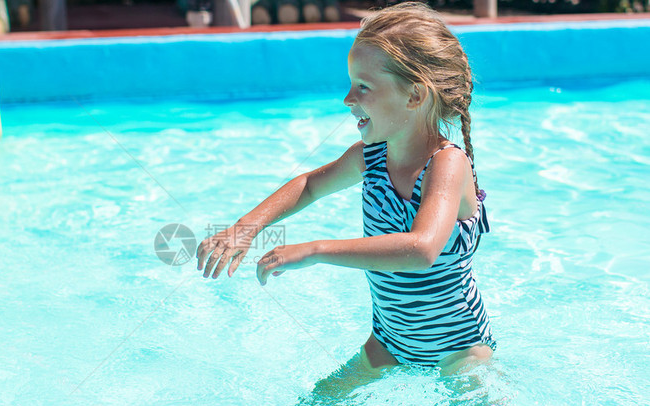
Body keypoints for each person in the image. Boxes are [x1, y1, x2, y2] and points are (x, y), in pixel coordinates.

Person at [196, 2, 495, 381]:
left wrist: (316, 250)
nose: (347, 98)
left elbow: (421, 249)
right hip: (389, 341)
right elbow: (308, 185)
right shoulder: (370, 158)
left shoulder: (447, 164)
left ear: (415, 96)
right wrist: (246, 227)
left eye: (364, 87)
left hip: (458, 348)